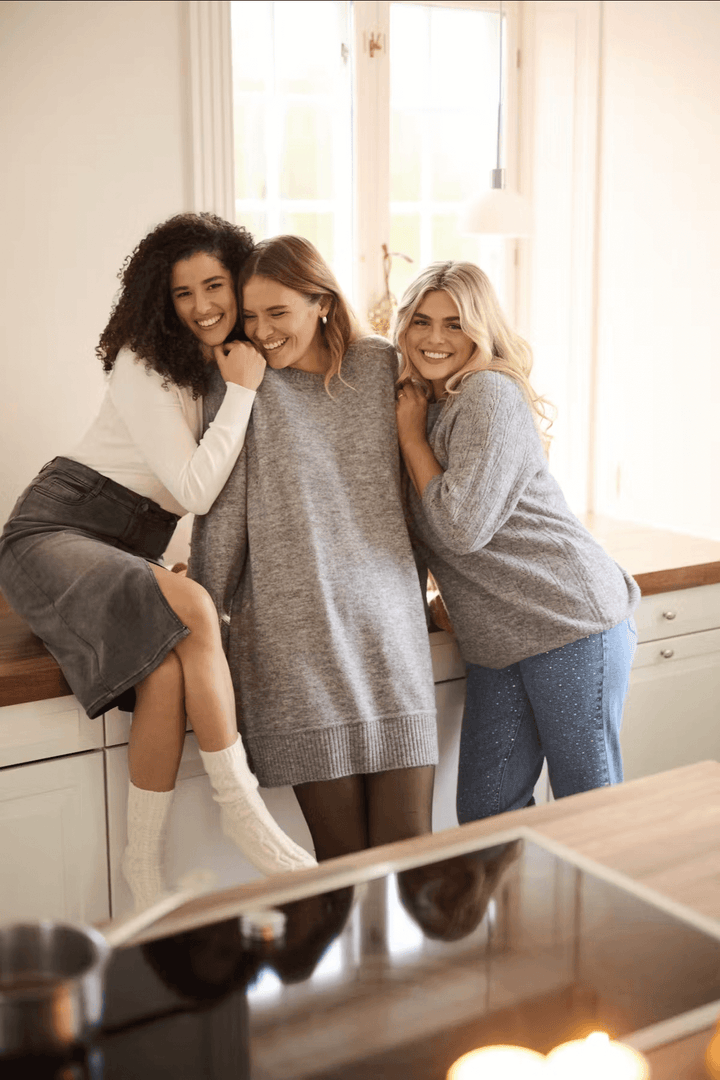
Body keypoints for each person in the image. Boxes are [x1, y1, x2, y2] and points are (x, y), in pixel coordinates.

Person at [0, 213, 316, 910]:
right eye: (183, 293)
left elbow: (185, 493)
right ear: (159, 301)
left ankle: (141, 873)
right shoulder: (143, 363)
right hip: (51, 529)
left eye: (215, 286)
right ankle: (246, 816)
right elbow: (193, 488)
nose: (203, 305)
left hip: (122, 547)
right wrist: (242, 392)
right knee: (197, 607)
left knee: (168, 672)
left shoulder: (225, 364)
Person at [189, 235, 438, 861]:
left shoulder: (382, 366)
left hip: (389, 635)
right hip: (294, 645)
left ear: (321, 302)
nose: (262, 332)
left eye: (279, 313)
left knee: (409, 851)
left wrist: (440, 586)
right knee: (342, 864)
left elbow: (417, 487)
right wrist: (200, 615)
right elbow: (222, 516)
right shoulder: (243, 386)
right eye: (250, 316)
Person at [392, 261, 640, 823]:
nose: (434, 339)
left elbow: (460, 526)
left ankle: (601, 915)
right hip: (497, 640)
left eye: (454, 324)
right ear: (403, 327)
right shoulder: (422, 402)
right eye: (421, 321)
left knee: (586, 806)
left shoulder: (487, 394)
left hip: (567, 621)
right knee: (487, 813)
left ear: (480, 329)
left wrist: (409, 436)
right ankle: (518, 915)